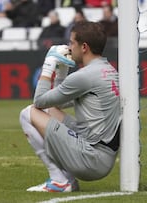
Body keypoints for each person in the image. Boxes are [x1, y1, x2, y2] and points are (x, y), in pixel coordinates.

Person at [19, 21, 121, 192]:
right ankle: (68, 181)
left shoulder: (85, 76)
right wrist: (62, 71)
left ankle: (59, 180)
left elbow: (39, 100)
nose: (69, 47)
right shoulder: (107, 69)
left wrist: (48, 66)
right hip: (103, 154)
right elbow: (56, 104)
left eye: (72, 42)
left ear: (84, 47)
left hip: (92, 159)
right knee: (47, 111)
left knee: (28, 113)